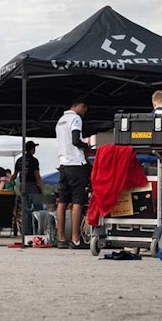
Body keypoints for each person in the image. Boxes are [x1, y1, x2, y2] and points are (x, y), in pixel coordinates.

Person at [55, 100, 92, 249]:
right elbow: (76, 140)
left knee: (62, 202)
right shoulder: (75, 118)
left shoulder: (60, 120)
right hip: (76, 164)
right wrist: (87, 146)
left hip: (63, 164)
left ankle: (61, 238)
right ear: (80, 106)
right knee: (78, 201)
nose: (84, 114)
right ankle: (76, 239)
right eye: (85, 110)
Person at [14, 140, 45, 237]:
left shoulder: (19, 160)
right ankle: (39, 230)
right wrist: (42, 189)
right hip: (32, 186)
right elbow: (37, 176)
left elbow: (14, 175)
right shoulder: (34, 160)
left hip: (22, 186)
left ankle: (27, 232)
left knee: (26, 210)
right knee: (38, 209)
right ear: (31, 149)